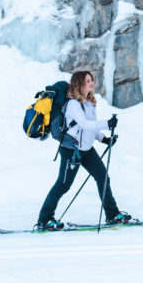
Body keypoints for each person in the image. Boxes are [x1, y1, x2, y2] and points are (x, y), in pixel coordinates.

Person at [36, 70, 130, 231]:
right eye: (87, 81)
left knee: (103, 178)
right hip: (71, 151)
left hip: (86, 150)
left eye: (91, 80)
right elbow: (85, 124)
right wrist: (107, 124)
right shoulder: (73, 104)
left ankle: (112, 214)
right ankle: (44, 220)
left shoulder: (89, 102)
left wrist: (103, 139)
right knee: (63, 185)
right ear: (79, 83)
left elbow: (89, 129)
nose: (91, 83)